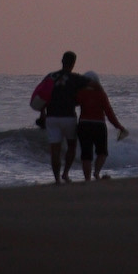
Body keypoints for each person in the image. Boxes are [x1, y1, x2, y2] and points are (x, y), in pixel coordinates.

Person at [38, 51, 92, 184]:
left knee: (55, 149)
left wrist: (42, 112)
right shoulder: (77, 78)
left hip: (52, 117)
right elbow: (91, 87)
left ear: (62, 61)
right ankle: (65, 173)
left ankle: (57, 179)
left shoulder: (50, 76)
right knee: (72, 146)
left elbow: (41, 94)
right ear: (73, 63)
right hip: (69, 117)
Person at [76, 72, 127, 181]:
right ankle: (96, 173)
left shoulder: (81, 93)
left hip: (84, 124)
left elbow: (73, 103)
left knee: (86, 154)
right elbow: (109, 113)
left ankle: (87, 179)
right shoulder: (101, 94)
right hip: (99, 125)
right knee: (102, 152)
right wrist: (118, 126)